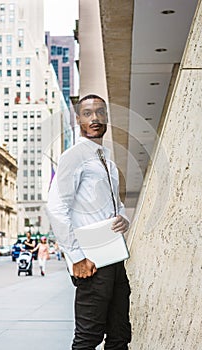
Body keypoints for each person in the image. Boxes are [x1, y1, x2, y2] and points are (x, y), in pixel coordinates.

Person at [46, 94, 131, 349]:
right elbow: (56, 206)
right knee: (88, 338)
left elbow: (116, 204)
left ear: (106, 117)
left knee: (119, 335)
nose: (95, 118)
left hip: (115, 257)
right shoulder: (73, 156)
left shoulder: (108, 161)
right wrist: (77, 256)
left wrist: (123, 219)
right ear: (79, 119)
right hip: (92, 261)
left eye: (100, 112)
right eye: (87, 113)